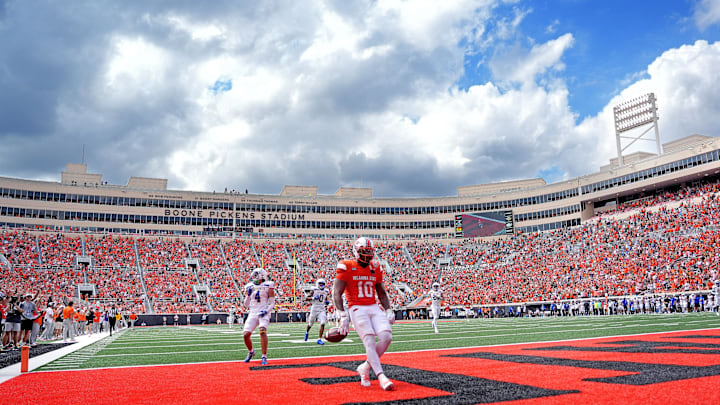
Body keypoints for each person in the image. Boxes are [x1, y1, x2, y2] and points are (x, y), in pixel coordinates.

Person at [333, 237, 395, 391]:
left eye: (369, 252)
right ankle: (381, 376)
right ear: (356, 251)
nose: (367, 255)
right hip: (356, 308)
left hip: (373, 306)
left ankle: (365, 367)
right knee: (369, 341)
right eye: (364, 252)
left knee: (387, 337)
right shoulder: (346, 265)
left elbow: (381, 292)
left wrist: (388, 309)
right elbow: (336, 293)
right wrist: (343, 316)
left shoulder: (375, 266)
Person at [242, 268, 275, 365]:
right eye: (254, 275)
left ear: (262, 276)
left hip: (263, 311)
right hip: (253, 312)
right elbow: (246, 305)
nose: (254, 277)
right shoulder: (249, 286)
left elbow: (272, 303)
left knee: (262, 330)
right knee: (245, 335)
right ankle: (251, 352)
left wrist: (266, 311)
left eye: (257, 275)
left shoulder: (268, 285)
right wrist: (248, 295)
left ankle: (264, 356)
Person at [305, 278, 329, 345]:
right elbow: (306, 298)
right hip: (314, 309)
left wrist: (327, 302)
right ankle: (307, 332)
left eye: (323, 284)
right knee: (310, 324)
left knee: (323, 323)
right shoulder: (314, 290)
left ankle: (319, 339)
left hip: (322, 309)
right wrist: (313, 298)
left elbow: (325, 298)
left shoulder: (326, 291)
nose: (322, 286)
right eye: (320, 284)